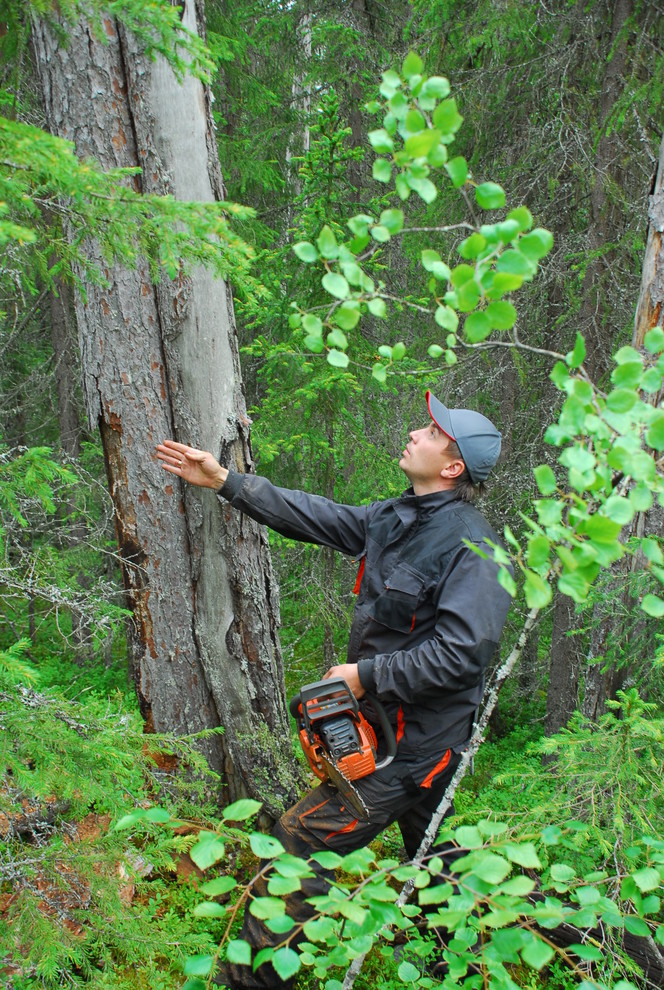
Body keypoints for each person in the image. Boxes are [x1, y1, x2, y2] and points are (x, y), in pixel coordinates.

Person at [156, 390, 512, 989]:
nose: (418, 432)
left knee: (298, 844)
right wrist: (225, 482)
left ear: (453, 467)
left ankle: (250, 982)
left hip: (417, 747)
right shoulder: (398, 517)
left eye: (432, 432)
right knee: (437, 857)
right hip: (385, 731)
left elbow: (462, 654)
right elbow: (317, 515)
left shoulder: (474, 548)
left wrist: (363, 675)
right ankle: (465, 966)